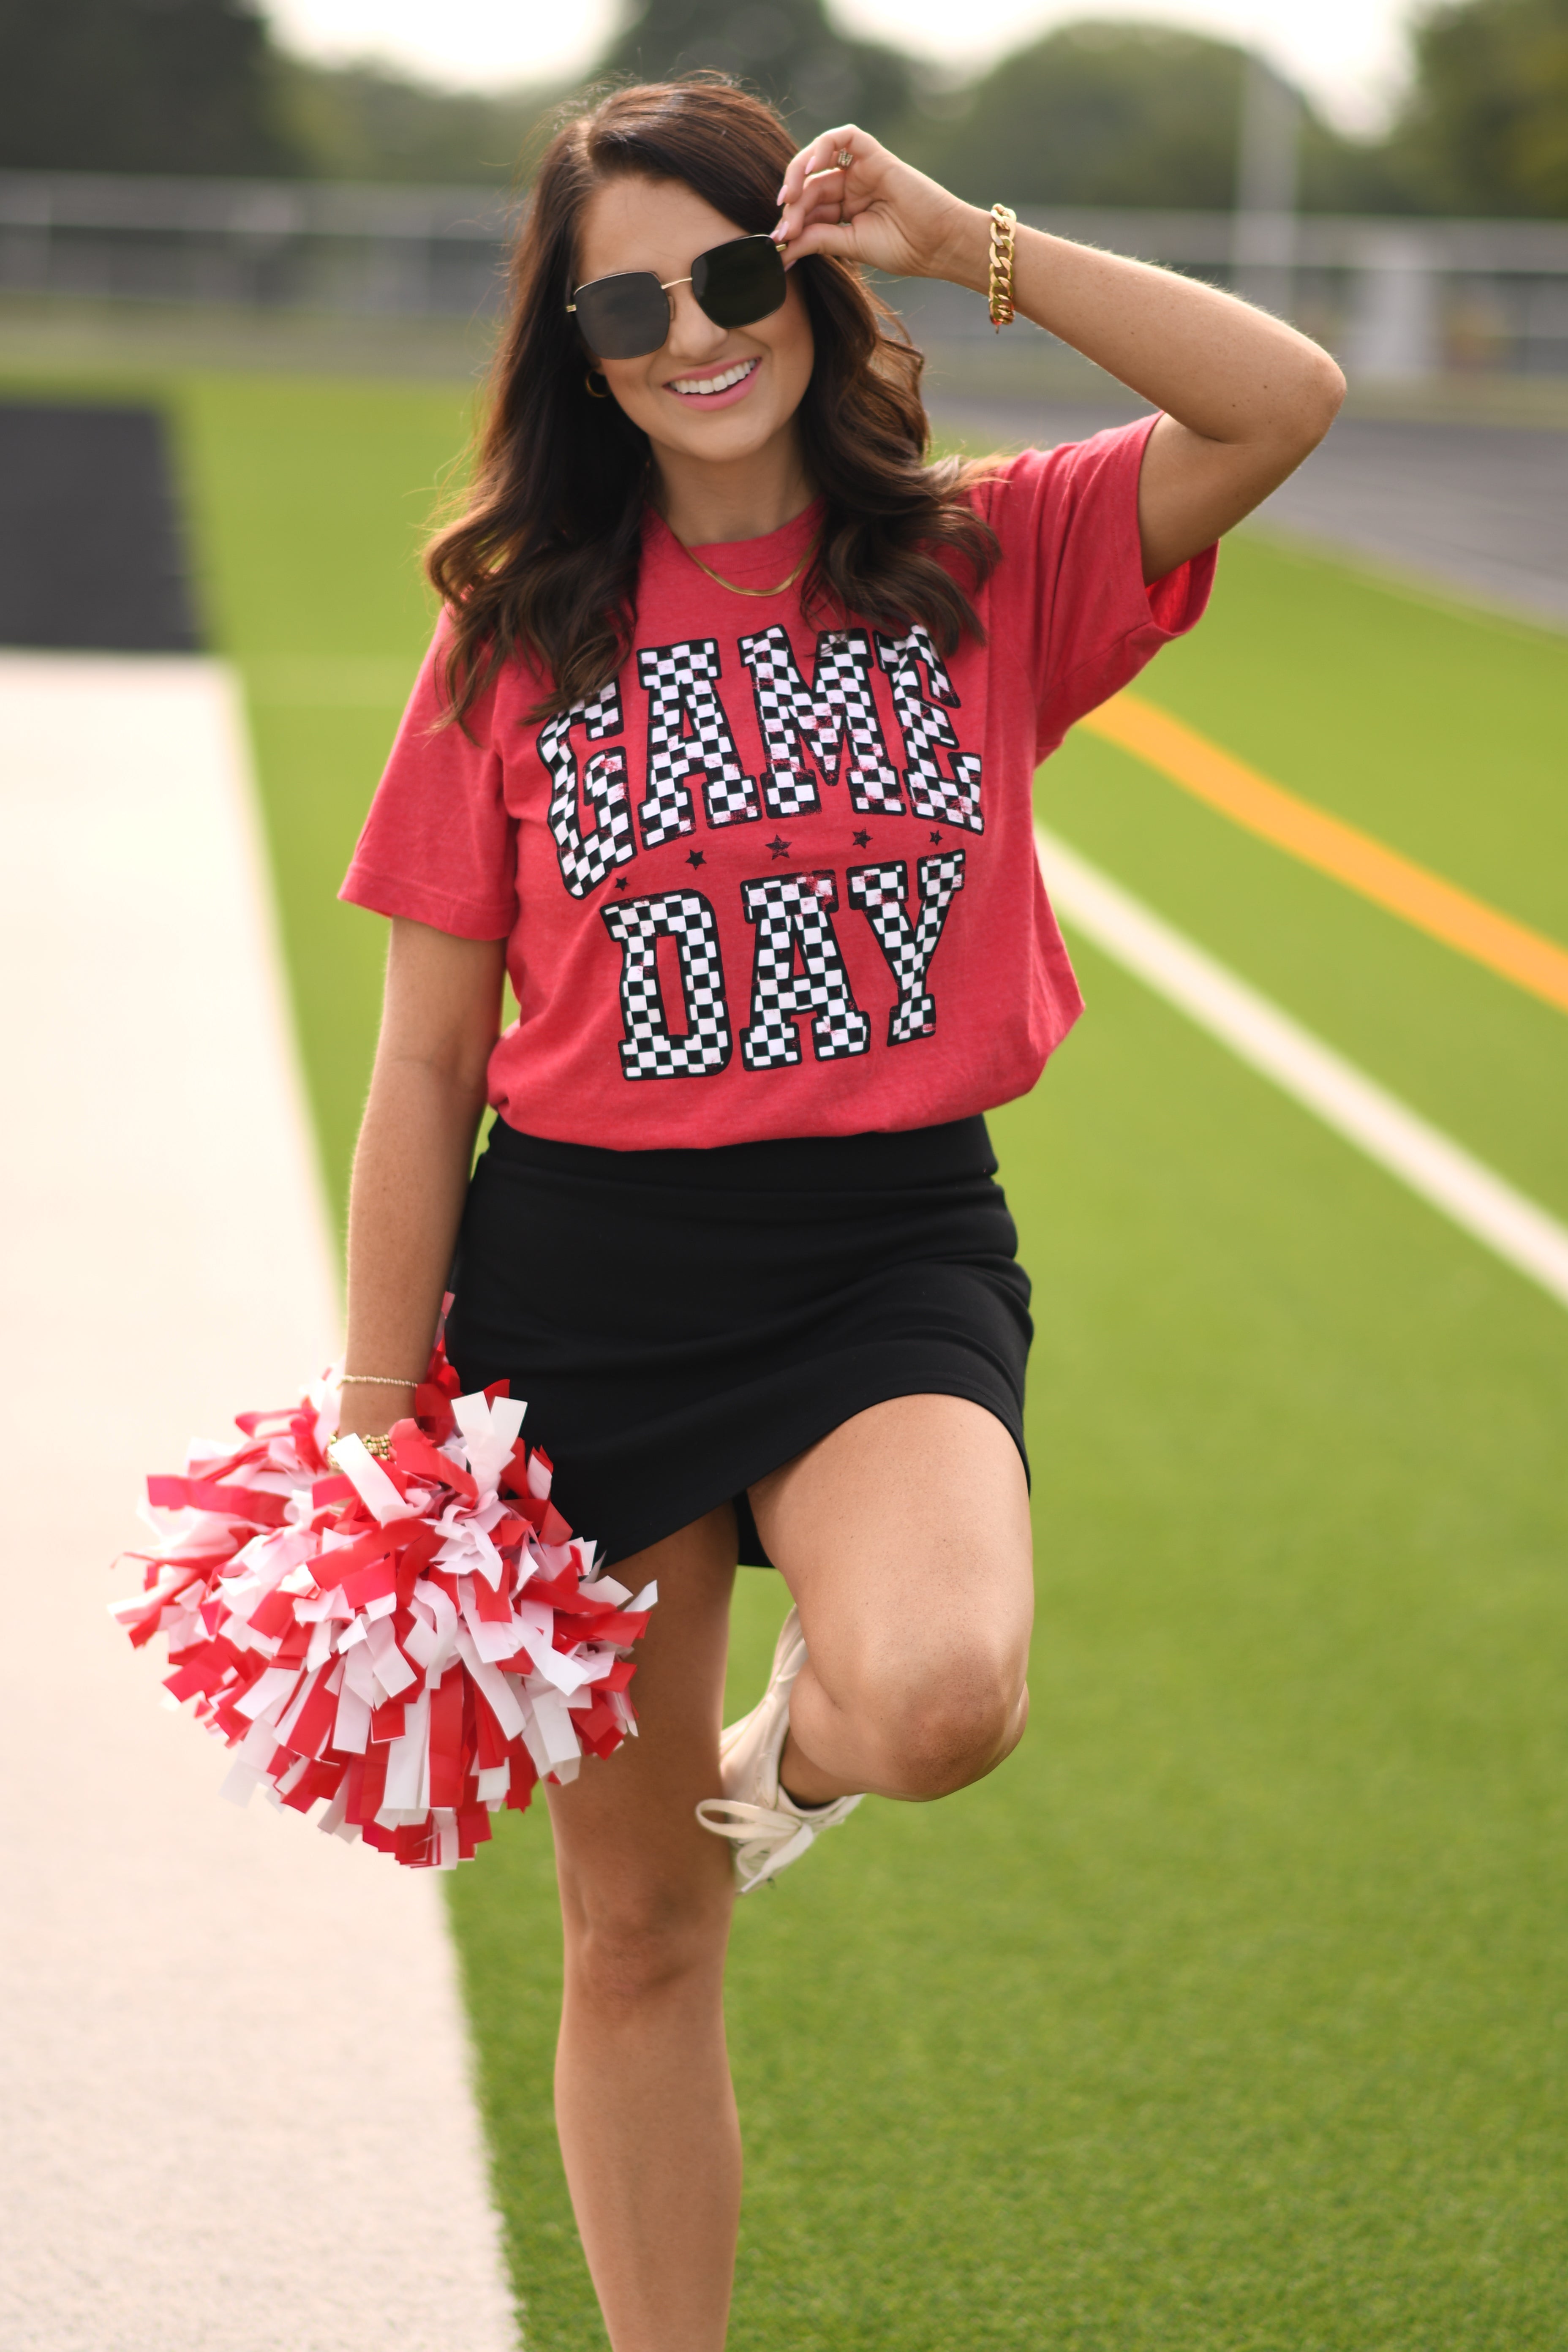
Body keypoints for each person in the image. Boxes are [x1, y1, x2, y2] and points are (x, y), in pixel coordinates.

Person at [335, 76, 1342, 2352]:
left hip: (885, 1253)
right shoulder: (514, 632)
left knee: (943, 1694)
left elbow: (1281, 396)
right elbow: (421, 1057)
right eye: (630, 302)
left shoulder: (980, 561)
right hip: (575, 1288)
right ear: (568, 344)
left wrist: (954, 232)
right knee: (638, 1934)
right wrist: (381, 1414)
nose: (693, 333)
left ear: (798, 274)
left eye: (732, 274)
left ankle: (786, 1752)